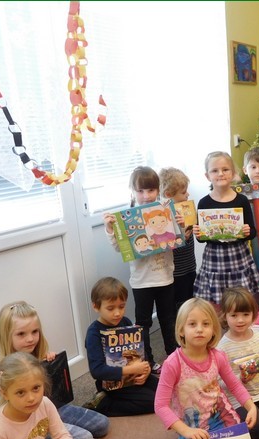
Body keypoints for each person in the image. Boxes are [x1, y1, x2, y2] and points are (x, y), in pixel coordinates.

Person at [0, 301, 109, 439]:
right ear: (6, 335)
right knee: (84, 437)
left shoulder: (35, 354)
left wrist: (50, 366)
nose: (30, 339)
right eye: (21, 334)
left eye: (35, 332)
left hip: (49, 408)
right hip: (24, 424)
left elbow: (49, 392)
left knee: (102, 424)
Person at [154, 298, 259, 439]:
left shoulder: (218, 356)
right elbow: (160, 405)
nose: (200, 329)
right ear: (181, 330)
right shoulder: (172, 364)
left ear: (213, 330)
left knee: (248, 438)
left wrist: (250, 407)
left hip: (221, 416)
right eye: (192, 324)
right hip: (191, 424)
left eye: (206, 324)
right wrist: (186, 431)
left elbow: (235, 385)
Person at [103, 166, 182, 369]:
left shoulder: (166, 210)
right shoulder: (126, 217)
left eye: (151, 190)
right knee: (143, 322)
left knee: (168, 319)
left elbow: (179, 240)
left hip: (165, 277)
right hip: (141, 281)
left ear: (158, 190)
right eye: (140, 191)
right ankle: (147, 360)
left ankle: (174, 357)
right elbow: (118, 248)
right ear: (132, 191)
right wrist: (110, 229)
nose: (146, 196)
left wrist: (181, 226)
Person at [193, 151, 259, 306]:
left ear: (233, 173)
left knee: (241, 300)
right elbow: (202, 237)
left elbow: (252, 231)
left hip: (238, 256)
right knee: (216, 303)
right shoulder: (204, 203)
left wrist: (247, 231)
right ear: (207, 176)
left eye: (225, 169)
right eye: (215, 170)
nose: (220, 174)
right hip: (214, 258)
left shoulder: (242, 200)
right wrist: (198, 233)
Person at [84, 277, 158, 416]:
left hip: (133, 376)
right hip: (111, 385)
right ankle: (103, 404)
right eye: (110, 308)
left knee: (164, 389)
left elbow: (140, 352)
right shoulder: (94, 333)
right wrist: (131, 369)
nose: (117, 313)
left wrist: (146, 370)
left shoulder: (126, 322)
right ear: (96, 306)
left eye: (122, 306)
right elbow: (97, 371)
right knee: (154, 402)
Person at [217, 287, 259, 423]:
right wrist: (239, 377)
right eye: (234, 315)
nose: (240, 320)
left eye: (246, 314)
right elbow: (219, 382)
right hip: (237, 399)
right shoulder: (222, 347)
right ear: (225, 316)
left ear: (253, 314)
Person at [160, 166, 197, 348]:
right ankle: (179, 342)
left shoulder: (186, 210)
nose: (187, 194)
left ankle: (190, 336)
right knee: (177, 307)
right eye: (183, 192)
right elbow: (166, 246)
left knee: (190, 302)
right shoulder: (163, 216)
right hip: (176, 273)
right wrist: (182, 237)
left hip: (190, 267)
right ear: (168, 195)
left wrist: (191, 230)